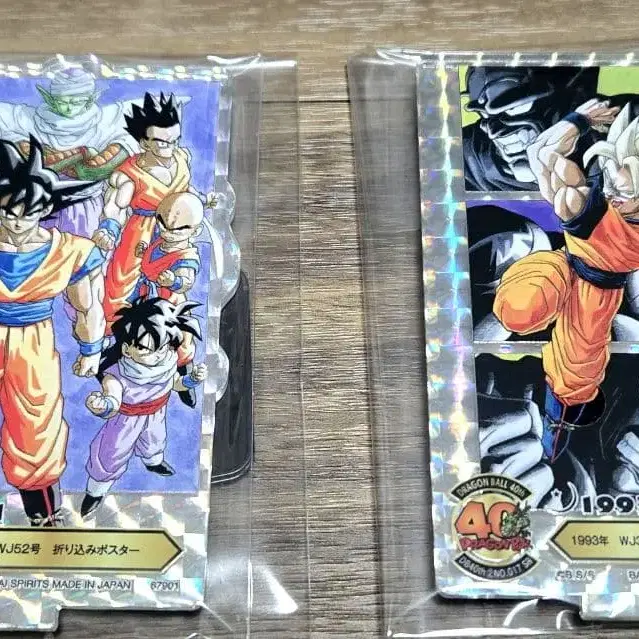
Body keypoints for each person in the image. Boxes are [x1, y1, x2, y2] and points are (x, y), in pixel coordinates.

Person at [494, 99, 639, 462]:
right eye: (613, 180)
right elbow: (540, 153)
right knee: (519, 309)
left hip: (597, 295)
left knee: (574, 381)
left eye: (625, 192)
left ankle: (557, 429)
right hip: (565, 267)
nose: (615, 194)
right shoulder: (590, 198)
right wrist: (578, 120)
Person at [0, 136, 106, 525]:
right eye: (7, 212)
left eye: (26, 213)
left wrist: (91, 348)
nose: (16, 222)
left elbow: (87, 304)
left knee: (36, 423)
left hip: (33, 341)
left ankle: (42, 513)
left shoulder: (69, 251)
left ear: (45, 210)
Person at [93, 92, 214, 331]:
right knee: (123, 286)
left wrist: (201, 201)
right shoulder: (130, 173)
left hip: (176, 234)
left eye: (174, 140)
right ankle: (118, 337)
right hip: (141, 233)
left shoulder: (181, 158)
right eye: (162, 142)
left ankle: (169, 337)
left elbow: (184, 189)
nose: (170, 147)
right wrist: (109, 228)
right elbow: (116, 205)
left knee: (174, 286)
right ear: (144, 142)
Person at [82, 298, 206, 518]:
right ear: (127, 349)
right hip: (125, 423)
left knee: (155, 442)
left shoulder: (166, 362)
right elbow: (113, 399)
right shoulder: (118, 374)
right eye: (147, 349)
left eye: (163, 347)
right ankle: (96, 491)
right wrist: (103, 406)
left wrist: (191, 380)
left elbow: (175, 383)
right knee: (111, 454)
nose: (157, 355)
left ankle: (153, 462)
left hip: (156, 415)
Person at [0, 65, 138, 237]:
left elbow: (99, 168)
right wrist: (82, 153)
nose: (68, 108)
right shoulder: (27, 119)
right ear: (51, 99)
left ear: (90, 100)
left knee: (80, 249)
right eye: (62, 101)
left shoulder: (106, 123)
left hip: (84, 207)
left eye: (76, 102)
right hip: (35, 209)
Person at [462, 66, 639, 191]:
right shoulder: (471, 156)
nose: (494, 132)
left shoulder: (628, 123)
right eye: (484, 115)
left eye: (515, 107)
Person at [134, 192, 203, 407]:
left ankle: (184, 382)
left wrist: (174, 281)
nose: (167, 232)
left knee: (178, 345)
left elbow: (187, 282)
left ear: (195, 231)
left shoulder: (186, 256)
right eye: (162, 225)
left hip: (171, 305)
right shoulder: (159, 241)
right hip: (147, 298)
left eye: (176, 230)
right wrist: (144, 253)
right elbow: (151, 261)